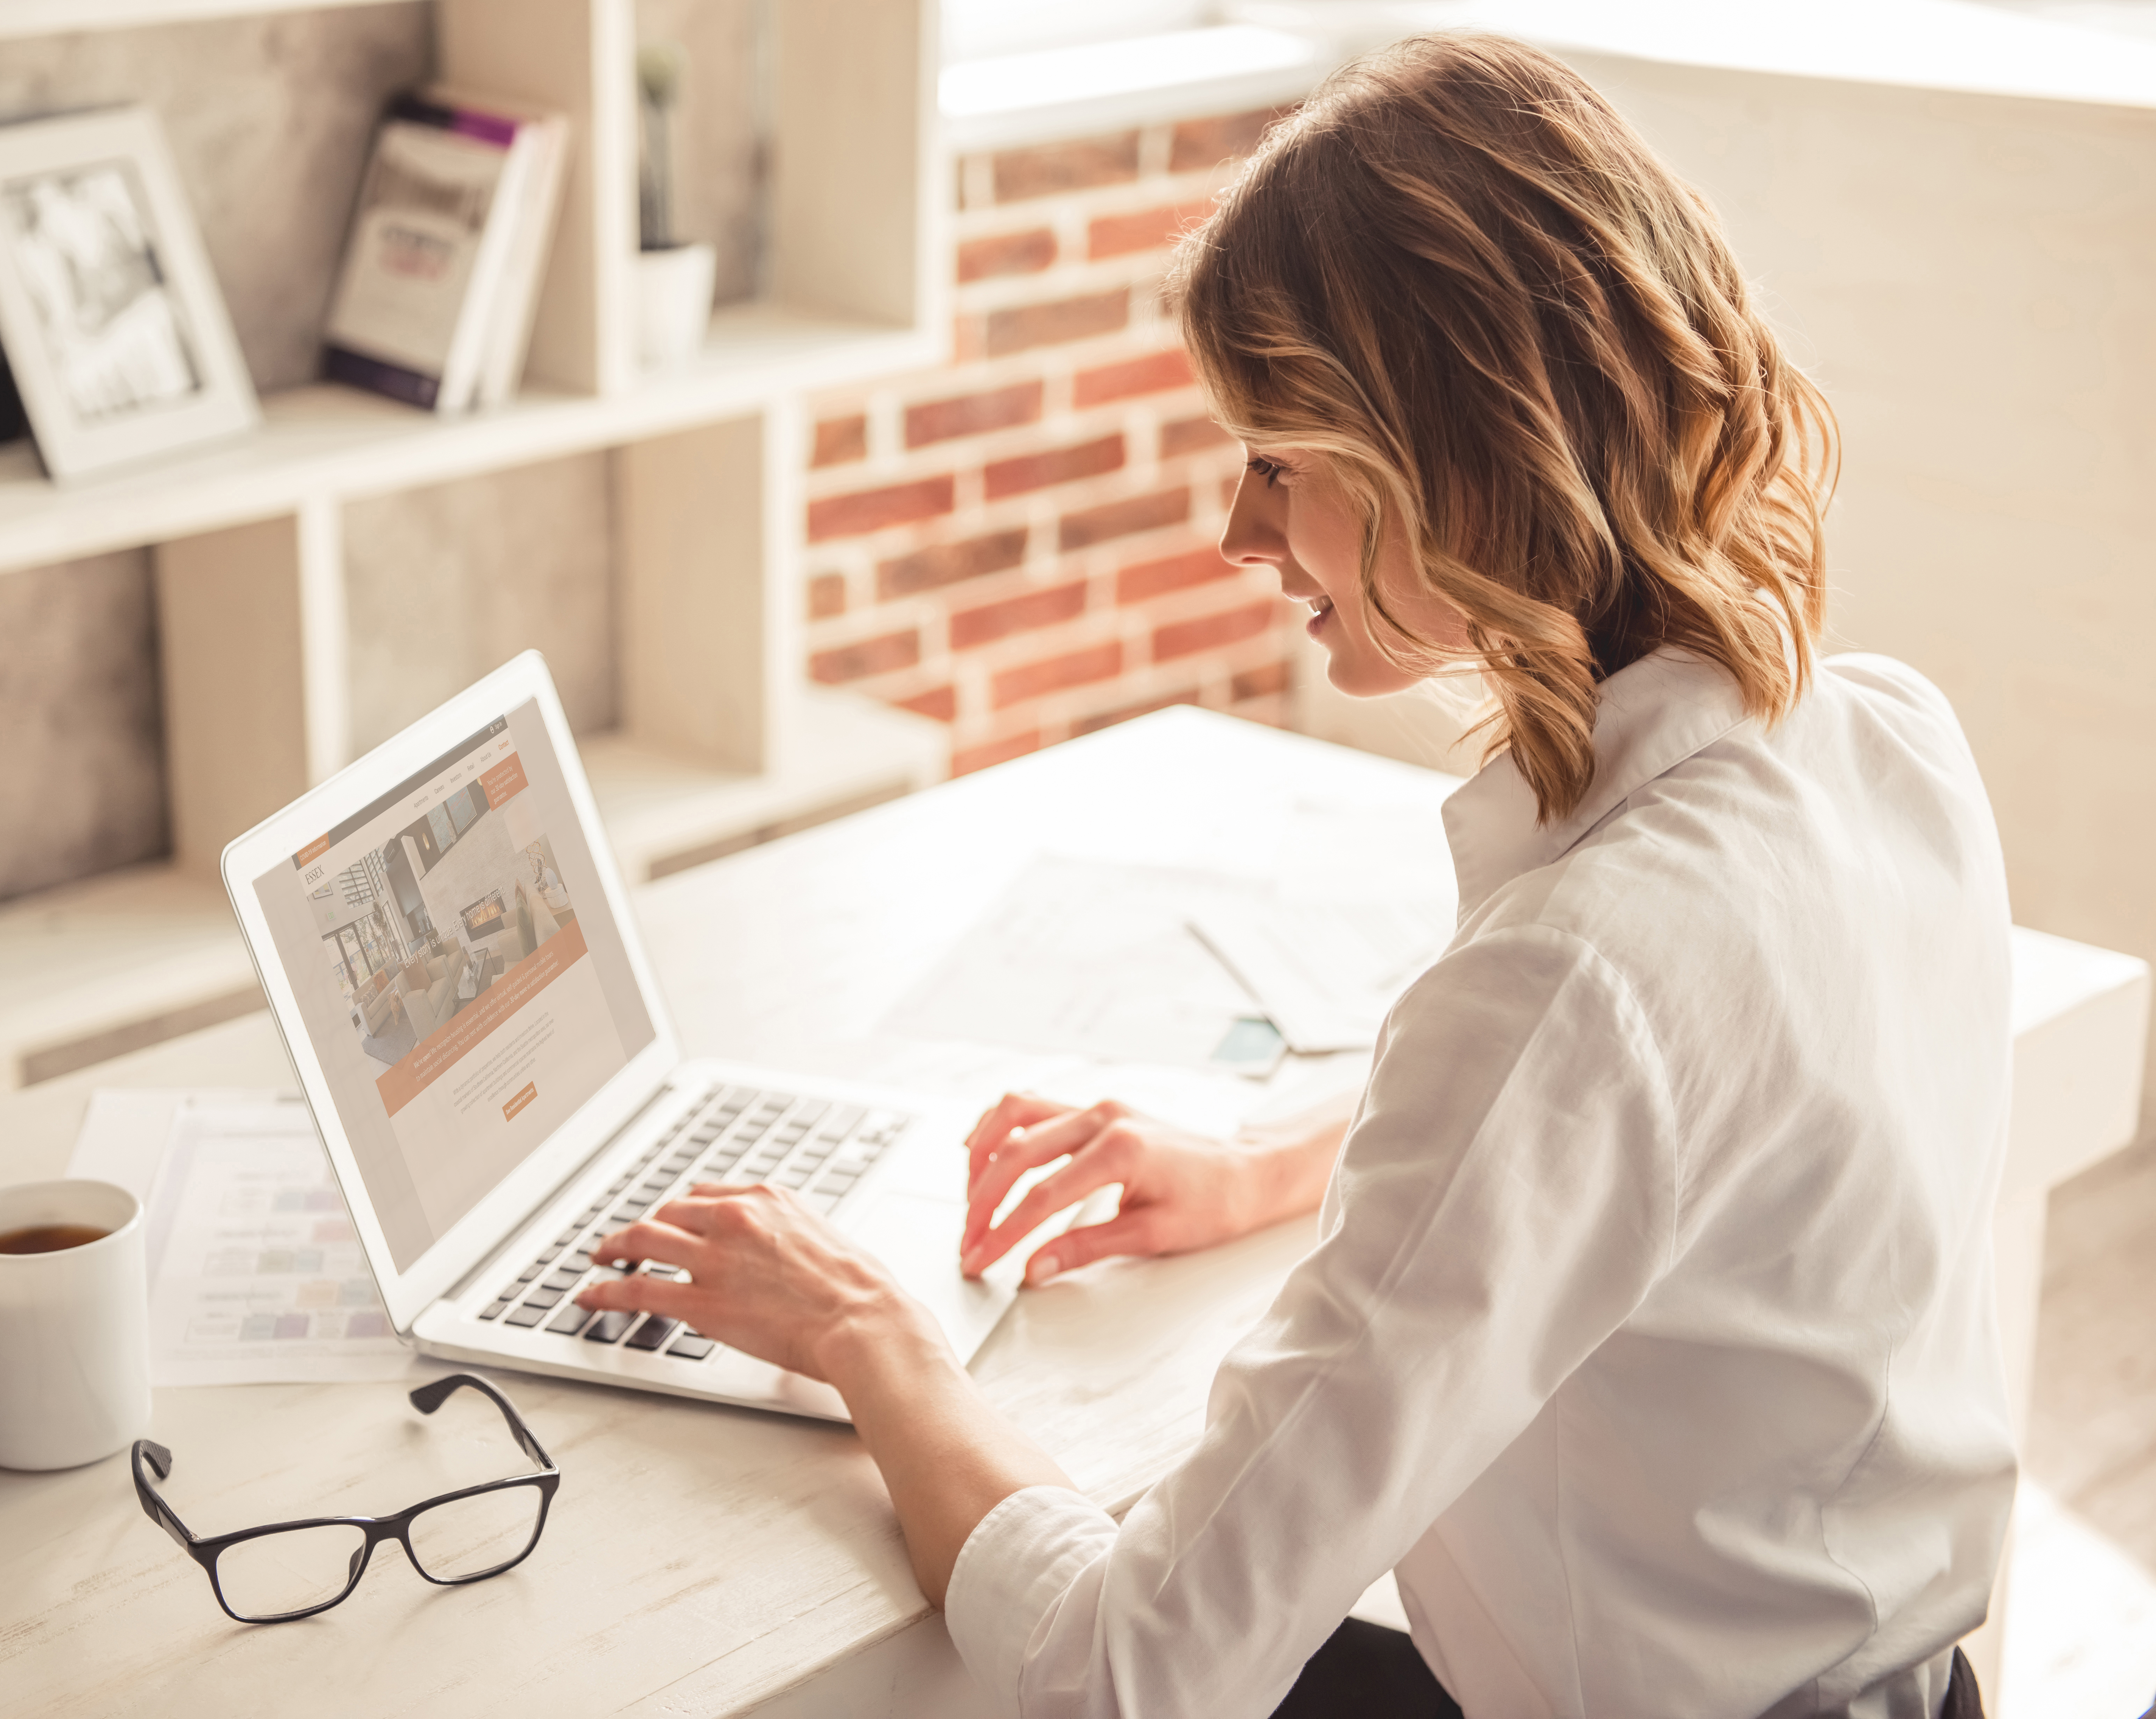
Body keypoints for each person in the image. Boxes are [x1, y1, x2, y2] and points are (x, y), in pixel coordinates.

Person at [580, 32, 2013, 1719]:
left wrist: (861, 1328)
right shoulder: (1887, 740)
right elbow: (1667, 1131)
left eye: (1278, 460)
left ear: (1455, 453)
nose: (1237, 535)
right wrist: (1267, 1169)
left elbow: (1130, 1673)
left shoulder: (1575, 972)